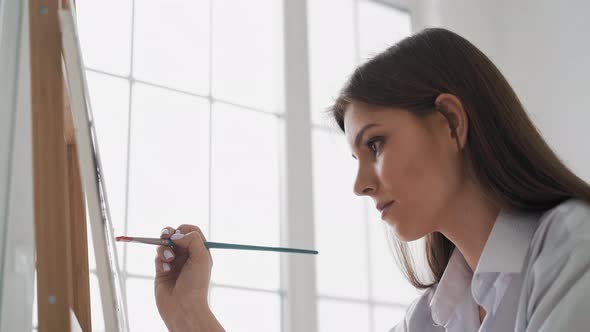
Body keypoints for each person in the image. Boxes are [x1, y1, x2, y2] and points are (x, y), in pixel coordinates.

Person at [154, 28, 590, 331]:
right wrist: (189, 314)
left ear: (451, 122)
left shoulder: (574, 248)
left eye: (376, 145)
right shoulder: (435, 315)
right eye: (356, 157)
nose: (359, 184)